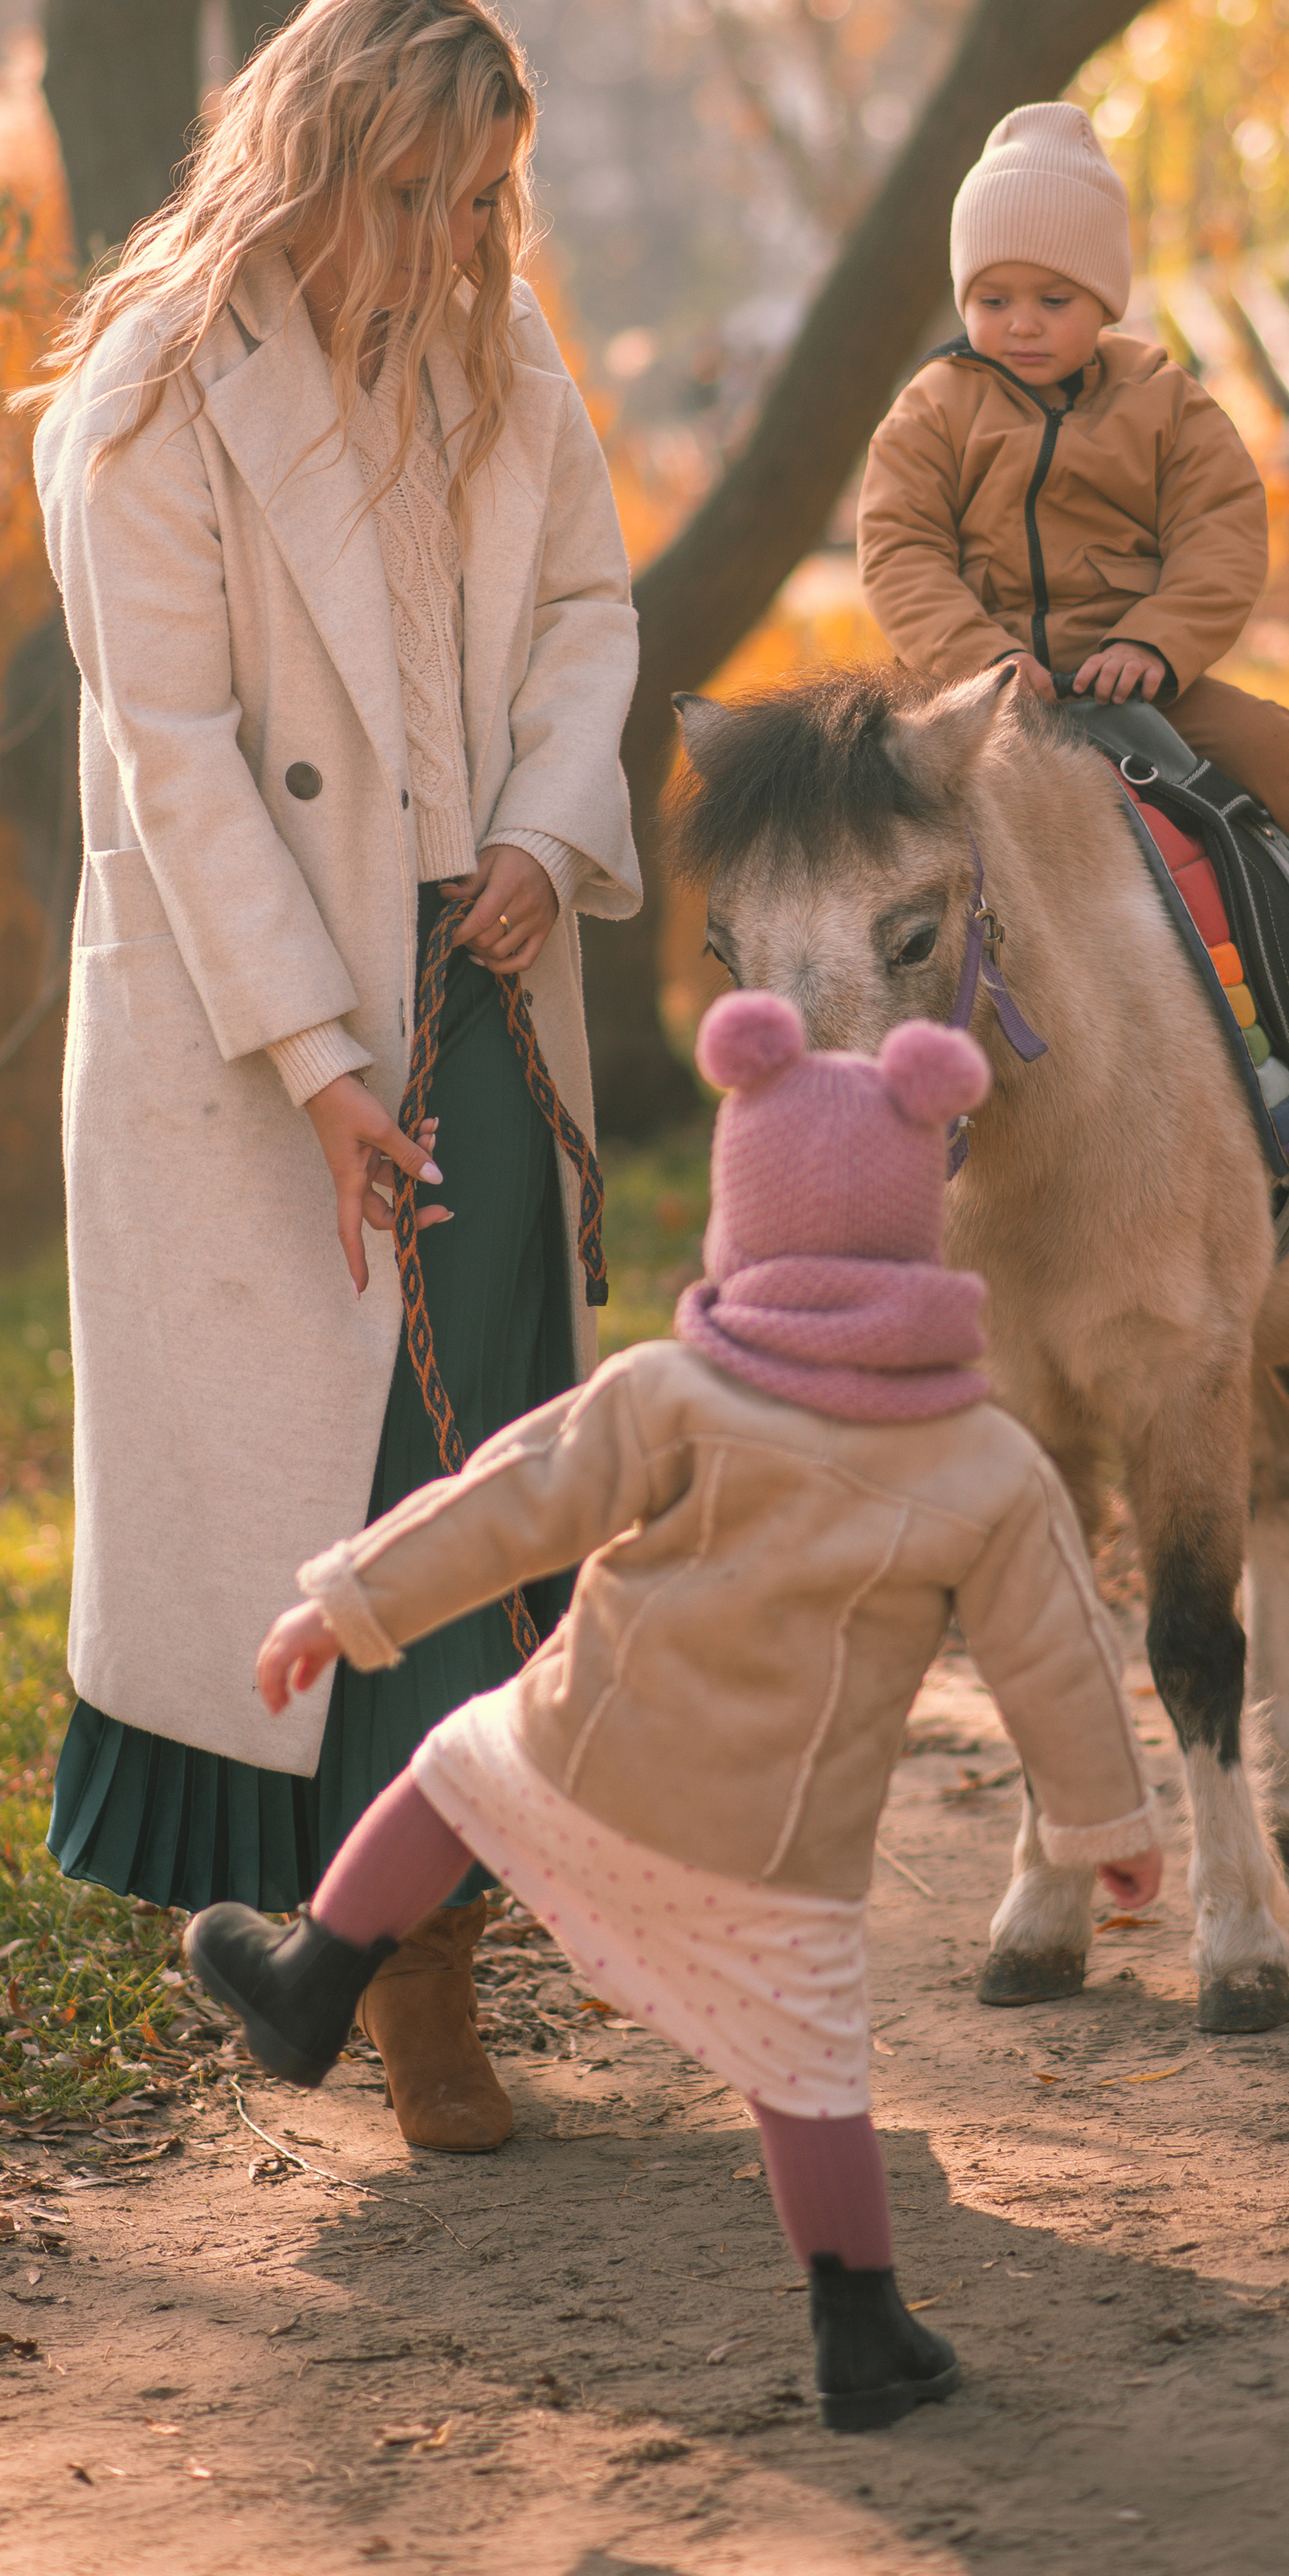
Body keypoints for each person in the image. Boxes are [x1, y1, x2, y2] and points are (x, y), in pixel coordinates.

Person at [183, 994, 1162, 2435]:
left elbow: (507, 1499)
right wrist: (1101, 1824)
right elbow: (1056, 1659)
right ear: (919, 1226)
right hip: (781, 1843)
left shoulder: (672, 1389)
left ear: (739, 1212)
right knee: (808, 2062)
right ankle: (859, 2325)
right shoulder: (986, 1461)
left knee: (454, 1764)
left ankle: (316, 1975)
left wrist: (348, 1601)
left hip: (585, 1756)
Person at [27, 0, 641, 2156]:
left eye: (489, 195)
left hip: (481, 973)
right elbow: (174, 749)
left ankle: (416, 1951)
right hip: (250, 1018)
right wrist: (313, 1058)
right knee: (342, 1476)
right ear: (312, 151)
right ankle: (391, 1987)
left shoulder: (504, 344)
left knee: (479, 1477)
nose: (463, 239)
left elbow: (587, 608)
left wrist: (549, 836)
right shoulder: (149, 388)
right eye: (420, 189)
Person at [856, 101, 1289, 1042]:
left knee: (1277, 745)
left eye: (1053, 300)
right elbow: (900, 547)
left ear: (1104, 300)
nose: (1021, 325)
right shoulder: (933, 410)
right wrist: (980, 658)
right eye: (993, 299)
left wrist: (1155, 642)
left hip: (1143, 676)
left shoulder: (1162, 400)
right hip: (981, 700)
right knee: (863, 805)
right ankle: (860, 1021)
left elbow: (1221, 528)